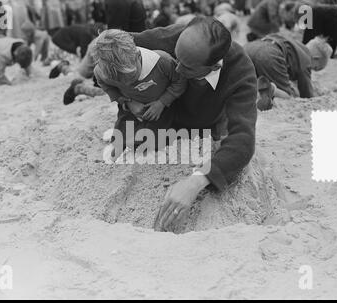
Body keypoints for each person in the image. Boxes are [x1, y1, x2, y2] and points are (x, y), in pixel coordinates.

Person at [77, 17, 257, 232]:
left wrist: (196, 181)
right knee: (136, 141)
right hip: (162, 116)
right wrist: (92, 76)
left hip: (205, 124)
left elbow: (243, 141)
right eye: (176, 58)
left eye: (188, 67)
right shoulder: (172, 37)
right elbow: (111, 43)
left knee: (224, 153)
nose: (178, 69)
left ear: (215, 65)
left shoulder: (241, 73)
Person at [91, 29, 187, 158]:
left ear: (137, 56)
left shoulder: (161, 61)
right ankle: (122, 144)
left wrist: (162, 102)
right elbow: (106, 85)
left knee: (156, 138)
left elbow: (180, 81)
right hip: (131, 106)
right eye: (119, 80)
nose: (126, 83)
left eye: (130, 76)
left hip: (161, 106)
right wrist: (126, 102)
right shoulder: (102, 72)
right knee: (121, 135)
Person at [245, 34, 332, 110]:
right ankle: (271, 89)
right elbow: (307, 94)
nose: (311, 70)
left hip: (250, 47)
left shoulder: (295, 45)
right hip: (269, 55)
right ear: (316, 58)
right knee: (287, 95)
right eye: (316, 68)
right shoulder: (306, 61)